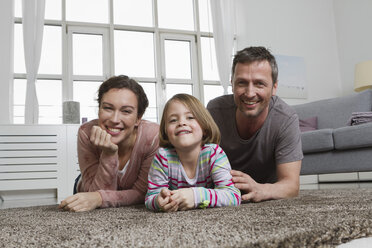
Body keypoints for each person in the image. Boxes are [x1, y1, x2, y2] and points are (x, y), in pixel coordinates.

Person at [207, 46, 303, 203]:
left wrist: (261, 189)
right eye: (242, 83)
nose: (250, 93)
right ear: (232, 84)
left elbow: (292, 185)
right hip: (221, 193)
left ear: (274, 87)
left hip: (265, 198)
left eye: (259, 84)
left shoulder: (286, 119)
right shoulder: (214, 111)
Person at [59, 75, 159, 212]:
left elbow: (142, 193)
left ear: (138, 118)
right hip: (91, 181)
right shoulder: (86, 132)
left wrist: (100, 198)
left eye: (126, 111)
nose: (114, 119)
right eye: (108, 108)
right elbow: (92, 194)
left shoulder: (153, 137)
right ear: (99, 109)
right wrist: (109, 153)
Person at [145, 94, 241, 212]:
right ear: (166, 133)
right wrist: (159, 201)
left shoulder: (214, 153)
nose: (181, 123)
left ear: (204, 128)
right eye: (173, 120)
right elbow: (150, 197)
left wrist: (195, 196)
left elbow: (233, 196)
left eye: (190, 117)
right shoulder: (163, 157)